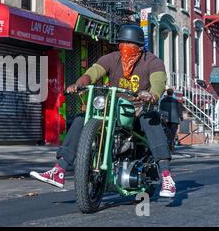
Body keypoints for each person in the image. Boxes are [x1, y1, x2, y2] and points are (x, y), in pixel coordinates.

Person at [30, 24, 176, 198]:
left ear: (139, 48)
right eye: (123, 44)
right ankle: (59, 169)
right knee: (80, 118)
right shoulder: (111, 58)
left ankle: (166, 176)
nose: (126, 49)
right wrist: (79, 84)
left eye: (131, 46)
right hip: (112, 108)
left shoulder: (152, 61)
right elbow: (92, 73)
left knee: (151, 118)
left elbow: (158, 81)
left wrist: (152, 95)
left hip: (138, 110)